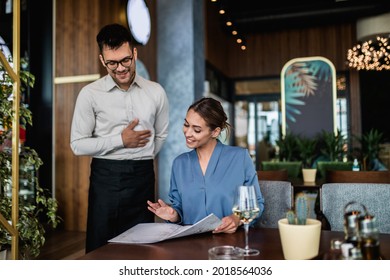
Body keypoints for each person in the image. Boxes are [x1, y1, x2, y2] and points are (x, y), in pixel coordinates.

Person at [70, 23, 169, 253]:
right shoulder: (89, 94)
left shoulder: (156, 92)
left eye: (125, 60)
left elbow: (162, 134)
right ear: (102, 60)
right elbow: (77, 144)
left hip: (143, 176)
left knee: (142, 246)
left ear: (134, 53)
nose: (121, 68)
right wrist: (121, 141)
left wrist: (141, 155)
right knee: (100, 247)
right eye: (112, 63)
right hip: (106, 177)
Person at [147, 97, 264, 233]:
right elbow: (179, 209)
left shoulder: (239, 157)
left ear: (215, 132)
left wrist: (236, 219)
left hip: (230, 244)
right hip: (190, 245)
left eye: (196, 130)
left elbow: (256, 204)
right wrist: (173, 215)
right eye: (186, 125)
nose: (188, 133)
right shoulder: (179, 164)